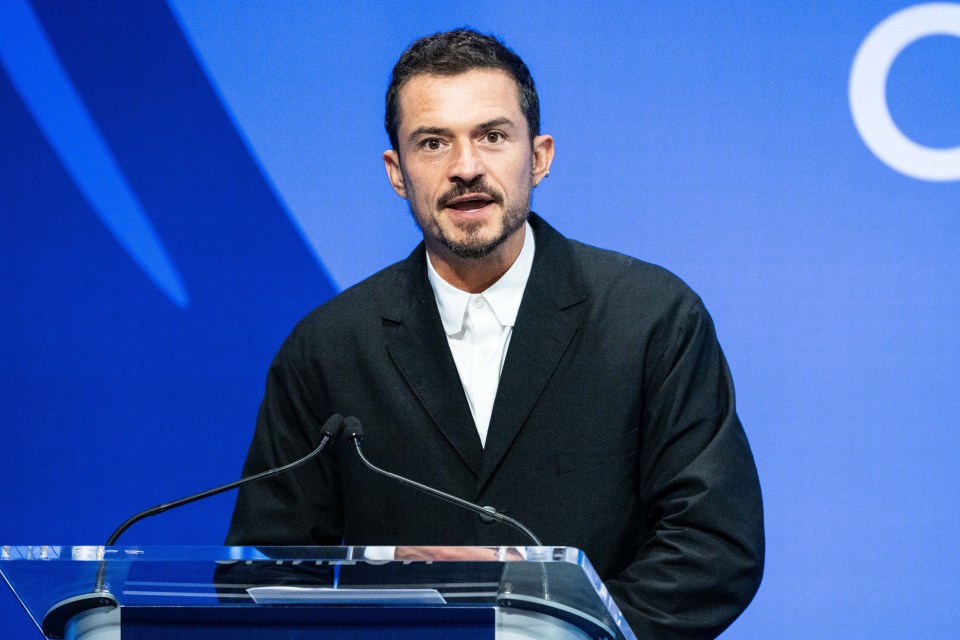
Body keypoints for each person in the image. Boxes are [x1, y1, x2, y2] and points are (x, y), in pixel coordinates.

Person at [224, 28, 764, 639]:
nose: (466, 168)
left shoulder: (651, 317)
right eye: (433, 143)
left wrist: (564, 635)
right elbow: (271, 567)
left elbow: (713, 544)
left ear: (539, 156)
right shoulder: (328, 347)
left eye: (493, 136)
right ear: (397, 171)